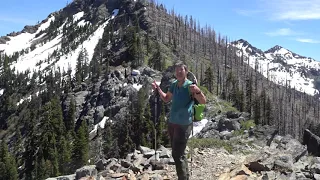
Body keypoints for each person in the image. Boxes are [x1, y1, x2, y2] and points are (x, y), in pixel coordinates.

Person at [151, 61, 206, 180]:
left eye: (181, 70)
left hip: (184, 124)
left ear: (186, 71)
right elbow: (166, 99)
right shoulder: (174, 84)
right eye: (177, 71)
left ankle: (183, 178)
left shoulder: (190, 86)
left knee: (177, 154)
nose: (179, 72)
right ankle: (185, 176)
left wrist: (198, 91)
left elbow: (203, 101)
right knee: (179, 153)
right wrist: (158, 89)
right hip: (173, 123)